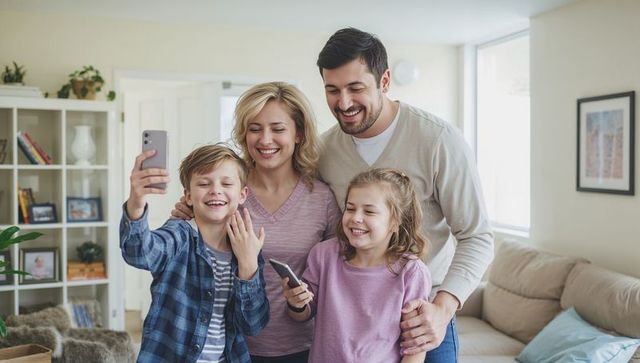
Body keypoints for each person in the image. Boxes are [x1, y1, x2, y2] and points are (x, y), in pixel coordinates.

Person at [316, 27, 494, 361]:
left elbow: (477, 237)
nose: (344, 103)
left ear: (384, 81)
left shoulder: (438, 139)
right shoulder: (324, 150)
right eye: (332, 90)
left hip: (423, 317)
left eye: (356, 88)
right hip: (353, 324)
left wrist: (442, 310)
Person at [172, 82, 340, 363]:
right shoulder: (226, 191)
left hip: (303, 346)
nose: (265, 140)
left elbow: (337, 274)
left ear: (298, 133)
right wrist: (183, 215)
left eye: (277, 129)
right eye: (254, 128)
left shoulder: (321, 198)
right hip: (230, 346)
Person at [121, 144, 269, 363]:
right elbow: (140, 252)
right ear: (188, 196)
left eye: (226, 183)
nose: (216, 190)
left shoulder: (247, 249)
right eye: (204, 183)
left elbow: (253, 324)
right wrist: (136, 202)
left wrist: (248, 267)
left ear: (242, 194)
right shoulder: (178, 235)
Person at [282, 168, 431, 363]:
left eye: (369, 211)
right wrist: (296, 303)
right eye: (350, 208)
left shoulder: (411, 272)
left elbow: (415, 347)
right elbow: (302, 315)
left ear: (395, 222)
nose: (355, 218)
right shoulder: (324, 254)